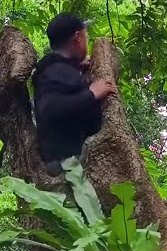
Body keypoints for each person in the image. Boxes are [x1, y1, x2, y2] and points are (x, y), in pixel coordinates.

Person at [32, 14, 117, 175]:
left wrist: (76, 67)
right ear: (78, 37)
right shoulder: (56, 71)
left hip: (68, 156)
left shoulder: (56, 68)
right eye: (86, 35)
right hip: (66, 161)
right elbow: (51, 108)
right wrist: (92, 94)